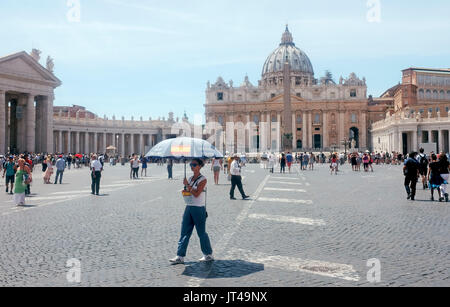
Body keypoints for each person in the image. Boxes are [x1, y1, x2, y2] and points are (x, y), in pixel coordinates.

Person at [170, 158, 213, 265]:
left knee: (201, 233)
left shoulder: (203, 179)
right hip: (189, 206)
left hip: (198, 208)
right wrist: (185, 189)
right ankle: (180, 256)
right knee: (184, 231)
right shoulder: (189, 178)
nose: (192, 166)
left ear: (199, 166)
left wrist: (188, 186)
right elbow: (188, 191)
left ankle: (208, 254)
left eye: (194, 164)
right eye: (191, 165)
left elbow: (197, 193)